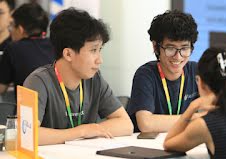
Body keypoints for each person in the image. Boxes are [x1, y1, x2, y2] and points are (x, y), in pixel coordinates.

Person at [23, 8, 133, 145]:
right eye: (93, 50)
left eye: (100, 50)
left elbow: (126, 124)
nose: (100, 60)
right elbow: (26, 134)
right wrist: (80, 132)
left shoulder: (95, 79)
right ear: (68, 54)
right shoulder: (38, 81)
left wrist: (91, 130)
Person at [126, 10, 199, 132]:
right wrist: (195, 119)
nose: (178, 56)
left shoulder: (196, 71)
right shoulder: (145, 74)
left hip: (181, 143)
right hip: (147, 147)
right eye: (170, 48)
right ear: (155, 47)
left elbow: (220, 113)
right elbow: (146, 124)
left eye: (184, 48)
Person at [0, 3, 55, 95]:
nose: (10, 30)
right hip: (58, 107)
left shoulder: (13, 49)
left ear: (20, 29)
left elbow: (1, 89)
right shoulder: (55, 45)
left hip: (29, 107)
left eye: (12, 26)